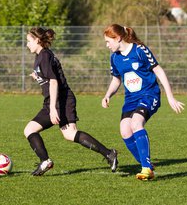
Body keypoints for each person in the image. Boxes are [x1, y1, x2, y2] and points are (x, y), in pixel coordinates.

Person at [24, 27, 118, 176]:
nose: (27, 44)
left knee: (68, 133)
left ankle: (108, 154)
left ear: (37, 40)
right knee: (33, 130)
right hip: (53, 101)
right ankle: (45, 161)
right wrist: (38, 77)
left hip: (61, 100)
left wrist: (54, 109)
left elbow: (54, 82)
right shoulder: (40, 56)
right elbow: (49, 77)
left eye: (29, 41)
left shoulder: (44, 56)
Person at [102, 24, 184, 181]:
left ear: (118, 38)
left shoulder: (140, 50)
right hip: (131, 99)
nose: (107, 45)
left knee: (136, 123)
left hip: (149, 94)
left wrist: (170, 96)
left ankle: (146, 168)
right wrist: (107, 95)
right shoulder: (115, 58)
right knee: (125, 131)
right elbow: (116, 79)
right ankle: (146, 164)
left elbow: (158, 70)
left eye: (108, 41)